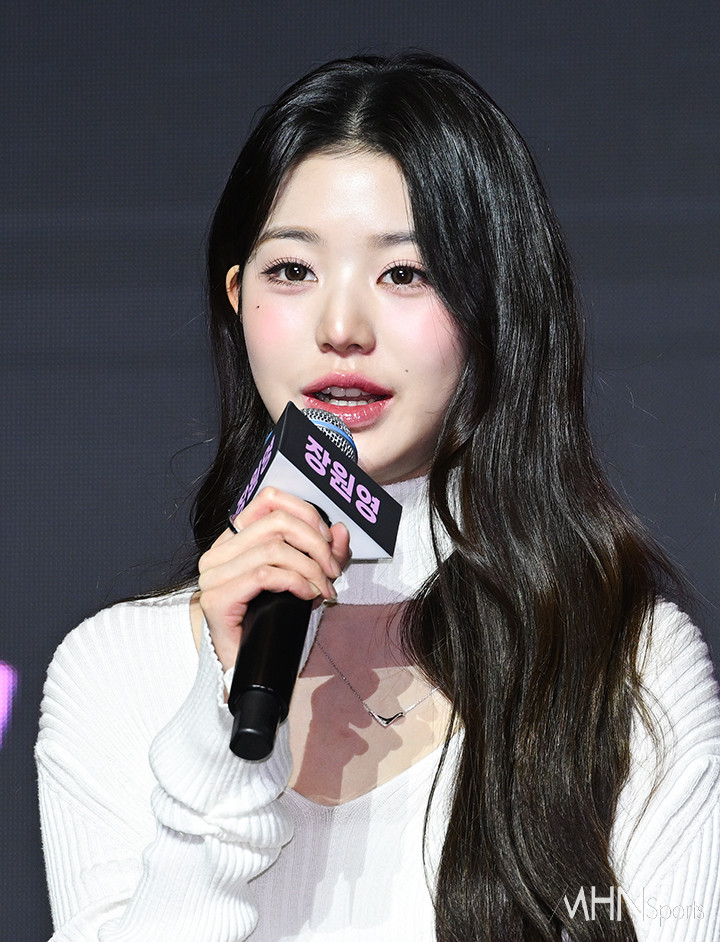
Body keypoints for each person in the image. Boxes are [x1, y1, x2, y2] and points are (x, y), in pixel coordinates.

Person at [36, 53, 720, 941]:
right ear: (236, 298)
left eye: (405, 274)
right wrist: (223, 734)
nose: (341, 328)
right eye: (293, 271)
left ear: (493, 307)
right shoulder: (115, 671)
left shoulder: (623, 663)